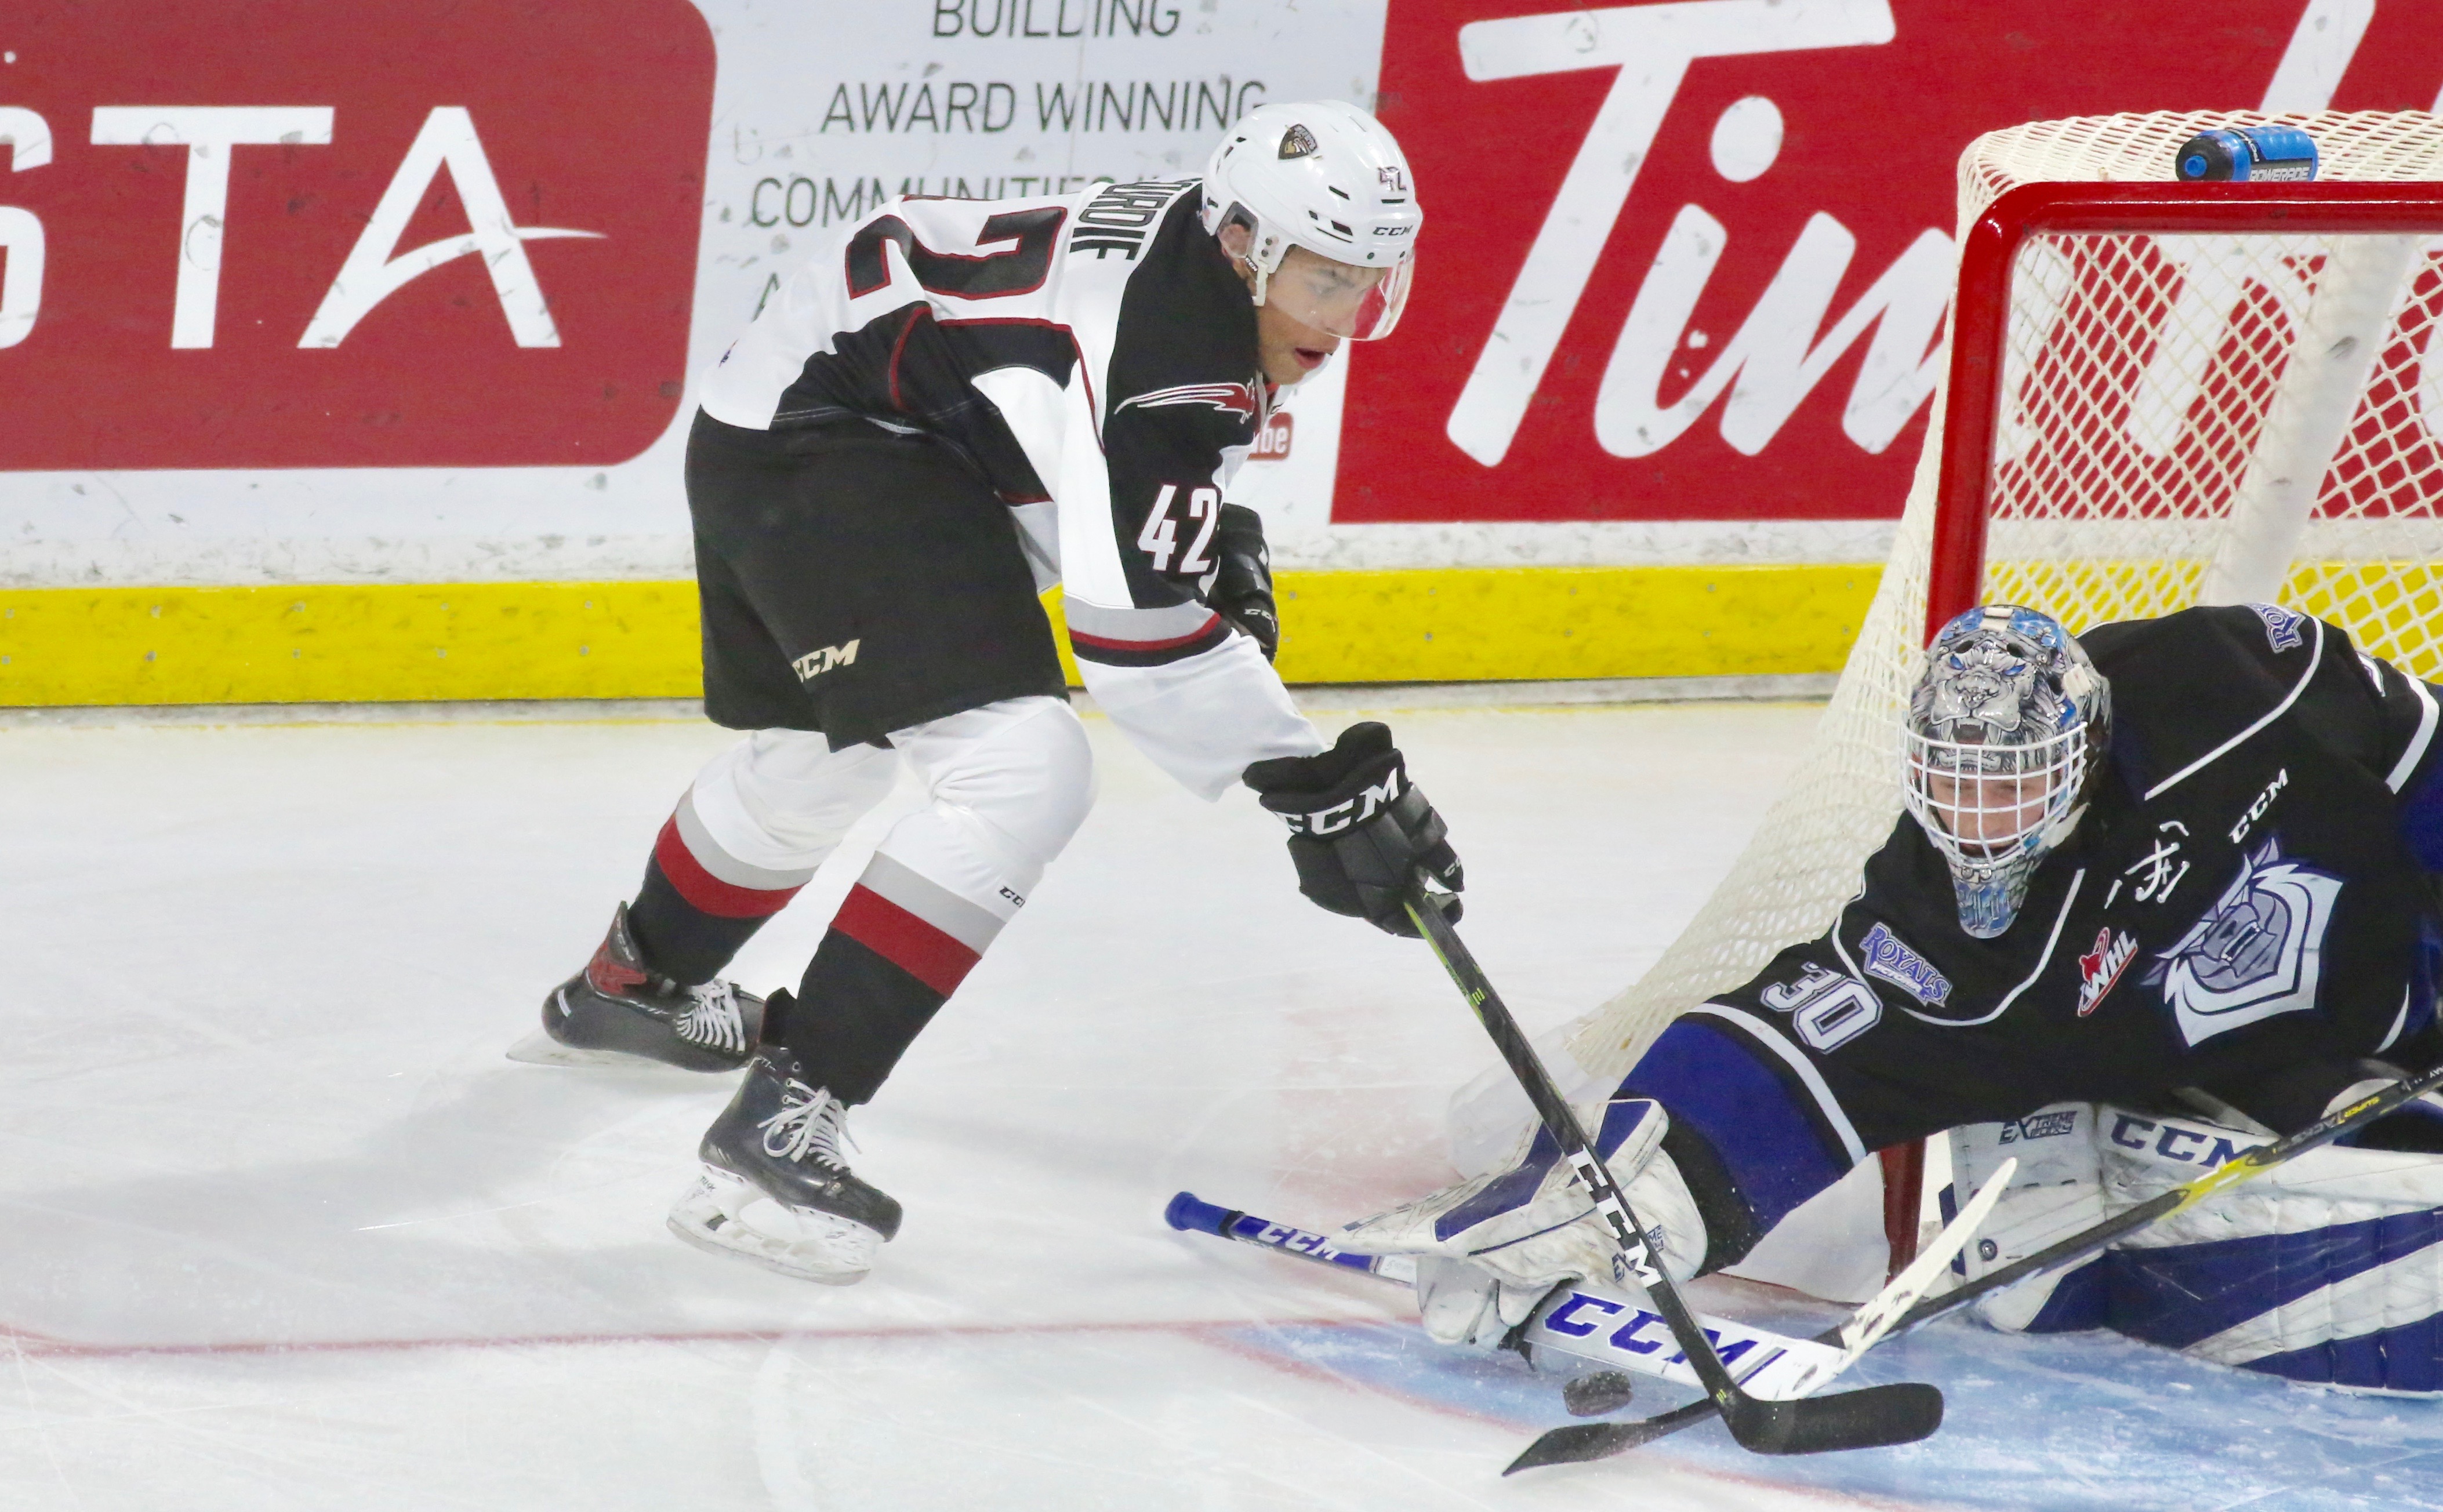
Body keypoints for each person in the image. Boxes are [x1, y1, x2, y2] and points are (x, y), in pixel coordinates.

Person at [513, 101, 1464, 1284]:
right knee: (1024, 767)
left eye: (1369, 282)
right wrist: (1314, 787)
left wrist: (1191, 549)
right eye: (1324, 279)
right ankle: (781, 1126)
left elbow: (1073, 431)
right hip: (830, 435)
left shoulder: (1204, 278)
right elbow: (1129, 634)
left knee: (827, 750)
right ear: (1241, 246)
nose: (1345, 317)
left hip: (836, 411)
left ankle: (631, 985)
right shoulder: (1182, 351)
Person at [1352, 602, 2443, 1391]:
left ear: (2085, 747)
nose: (1981, 822)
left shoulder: (2228, 686)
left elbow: (2415, 751)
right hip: (2256, 1063)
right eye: (1955, 785)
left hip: (2403, 975)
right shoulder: (1935, 928)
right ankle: (2037, 1130)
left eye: (2013, 782)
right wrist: (1619, 1202)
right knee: (2051, 1289)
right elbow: (1796, 1049)